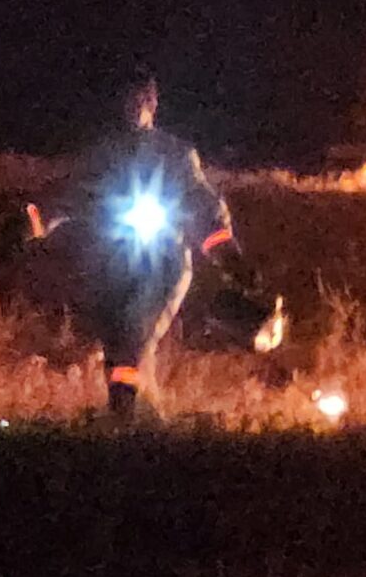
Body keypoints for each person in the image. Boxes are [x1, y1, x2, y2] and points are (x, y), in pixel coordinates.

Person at [40, 77, 270, 422]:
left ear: (152, 103)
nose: (133, 106)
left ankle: (123, 412)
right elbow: (69, 197)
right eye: (126, 99)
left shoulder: (174, 155)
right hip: (112, 259)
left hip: (163, 262)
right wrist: (30, 224)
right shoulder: (103, 155)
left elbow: (202, 207)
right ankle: (136, 411)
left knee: (134, 329)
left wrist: (230, 257)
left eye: (140, 99)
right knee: (117, 339)